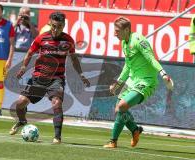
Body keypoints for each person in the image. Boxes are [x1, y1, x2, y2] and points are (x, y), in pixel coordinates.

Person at [9, 11, 90, 144]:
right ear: (49, 24)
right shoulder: (41, 38)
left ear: (63, 26)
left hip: (56, 79)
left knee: (57, 103)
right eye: (53, 26)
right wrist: (23, 67)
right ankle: (22, 121)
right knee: (20, 104)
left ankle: (57, 137)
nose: (55, 29)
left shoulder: (68, 41)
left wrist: (81, 75)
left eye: (58, 26)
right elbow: (30, 53)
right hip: (38, 78)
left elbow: (74, 60)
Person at [103, 16, 174, 148]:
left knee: (122, 106)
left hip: (146, 81)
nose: (114, 34)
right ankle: (135, 130)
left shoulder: (139, 40)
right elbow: (127, 67)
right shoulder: (124, 43)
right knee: (118, 110)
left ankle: (113, 141)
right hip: (132, 80)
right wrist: (118, 84)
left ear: (127, 29)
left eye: (117, 31)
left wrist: (163, 73)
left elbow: (151, 59)